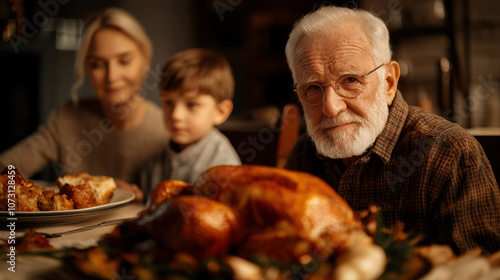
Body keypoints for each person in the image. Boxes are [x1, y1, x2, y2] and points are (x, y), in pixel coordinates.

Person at [284, 5, 500, 255]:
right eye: (312, 88)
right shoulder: (303, 156)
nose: (330, 107)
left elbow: (480, 270)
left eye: (350, 80)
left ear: (388, 83)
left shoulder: (450, 154)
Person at [0, 8, 169, 201]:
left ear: (145, 63)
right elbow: (6, 168)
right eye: (98, 64)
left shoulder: (169, 131)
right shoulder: (66, 118)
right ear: (87, 68)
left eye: (124, 61)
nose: (111, 76)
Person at [139, 48, 241, 196]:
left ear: (220, 112)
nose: (176, 115)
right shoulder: (154, 163)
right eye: (169, 103)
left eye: (191, 105)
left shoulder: (223, 164)